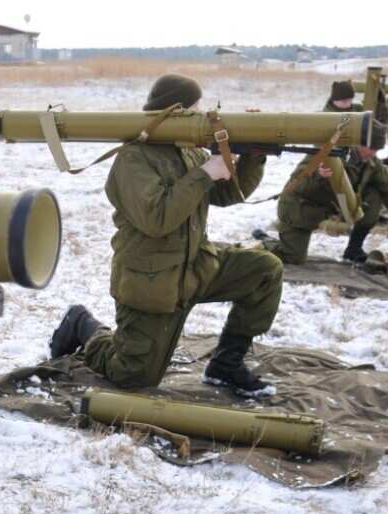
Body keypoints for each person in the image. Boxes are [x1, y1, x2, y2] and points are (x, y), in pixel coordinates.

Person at [49, 74, 281, 398]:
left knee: (264, 270)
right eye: (196, 110)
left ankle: (226, 365)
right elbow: (157, 218)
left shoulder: (188, 151)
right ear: (177, 112)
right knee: (132, 376)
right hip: (153, 282)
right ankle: (83, 325)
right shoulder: (134, 158)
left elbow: (228, 194)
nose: (201, 118)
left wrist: (251, 155)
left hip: (196, 267)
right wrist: (205, 173)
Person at [271, 122, 388, 265]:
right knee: (292, 257)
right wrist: (318, 176)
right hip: (302, 210)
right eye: (371, 147)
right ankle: (266, 242)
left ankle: (354, 249)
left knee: (377, 191)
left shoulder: (370, 161)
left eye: (377, 149)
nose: (373, 153)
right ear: (357, 142)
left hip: (333, 206)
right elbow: (297, 186)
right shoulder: (329, 152)